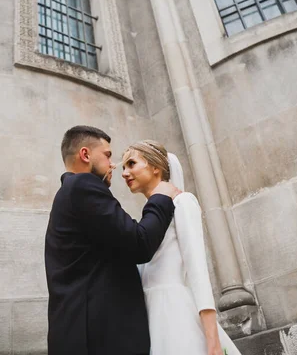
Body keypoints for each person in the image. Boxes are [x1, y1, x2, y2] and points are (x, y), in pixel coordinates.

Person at [45, 126, 181, 355]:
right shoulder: (82, 186)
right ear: (86, 155)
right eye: (108, 155)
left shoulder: (69, 192)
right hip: (100, 338)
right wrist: (160, 197)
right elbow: (140, 244)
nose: (114, 165)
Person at [121, 140, 242, 355]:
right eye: (123, 167)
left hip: (174, 313)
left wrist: (212, 341)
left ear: (156, 167)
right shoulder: (149, 218)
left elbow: (197, 270)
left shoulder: (183, 202)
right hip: (147, 316)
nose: (124, 173)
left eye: (131, 164)